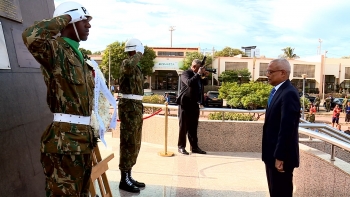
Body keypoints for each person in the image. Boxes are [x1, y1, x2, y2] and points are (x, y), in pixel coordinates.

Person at [22, 2, 95, 196]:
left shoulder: (80, 55)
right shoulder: (55, 49)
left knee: (82, 193)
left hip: (84, 139)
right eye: (84, 21)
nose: (89, 26)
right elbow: (31, 36)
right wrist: (69, 16)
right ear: (69, 23)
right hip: (65, 140)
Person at [262, 59, 300, 197]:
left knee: (281, 192)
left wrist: (280, 156)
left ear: (283, 73)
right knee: (275, 192)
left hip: (281, 158)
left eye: (270, 72)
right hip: (271, 154)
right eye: (267, 71)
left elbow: (287, 128)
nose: (267, 75)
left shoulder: (289, 93)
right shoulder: (277, 91)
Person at [118, 38, 145, 193]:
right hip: (129, 107)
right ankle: (124, 179)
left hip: (135, 106)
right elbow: (128, 66)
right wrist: (139, 54)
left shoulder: (137, 66)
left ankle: (129, 174)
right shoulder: (126, 63)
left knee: (134, 142)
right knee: (128, 143)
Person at [176, 59, 209, 155]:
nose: (201, 70)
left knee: (193, 127)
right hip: (185, 104)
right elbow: (189, 83)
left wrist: (203, 75)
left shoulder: (198, 75)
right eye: (199, 68)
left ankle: (194, 147)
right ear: (194, 67)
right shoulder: (185, 73)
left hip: (195, 104)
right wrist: (198, 74)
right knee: (183, 127)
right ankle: (181, 147)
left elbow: (205, 83)